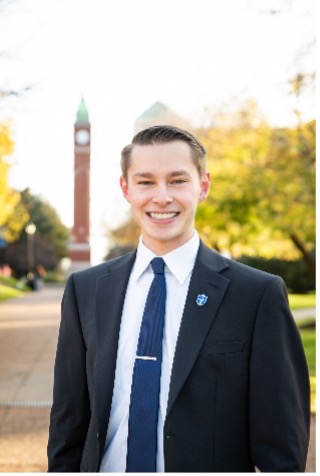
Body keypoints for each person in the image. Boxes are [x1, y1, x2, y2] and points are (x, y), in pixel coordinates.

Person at [47, 125, 310, 472]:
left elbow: (282, 446)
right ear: (126, 189)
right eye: (145, 182)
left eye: (177, 180)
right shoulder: (87, 290)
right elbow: (69, 422)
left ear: (203, 186)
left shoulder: (256, 295)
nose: (161, 196)